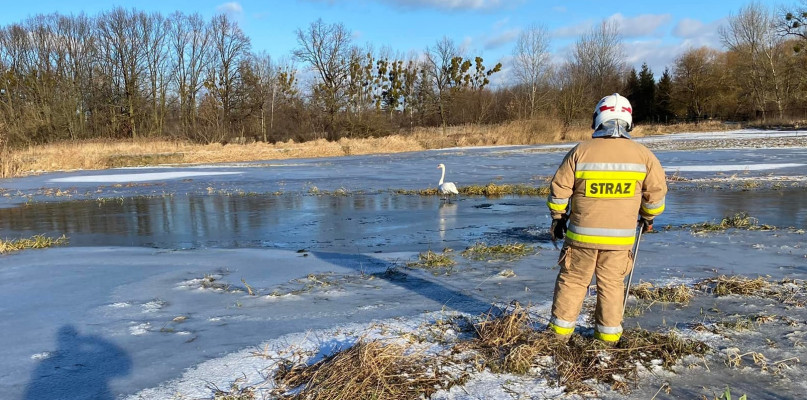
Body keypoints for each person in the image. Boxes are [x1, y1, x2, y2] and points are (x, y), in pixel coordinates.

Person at [545, 93, 667, 345]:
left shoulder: (581, 151)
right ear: (628, 121)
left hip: (581, 238)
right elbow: (655, 196)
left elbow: (559, 190)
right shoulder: (643, 155)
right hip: (620, 241)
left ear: (598, 118)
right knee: (612, 285)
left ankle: (558, 337)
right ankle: (608, 339)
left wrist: (558, 218)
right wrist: (648, 218)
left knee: (573, 282)